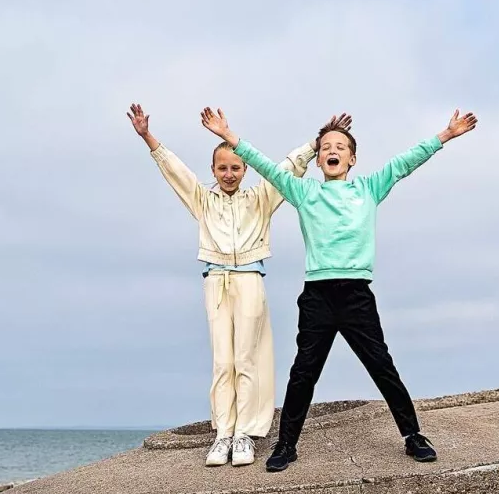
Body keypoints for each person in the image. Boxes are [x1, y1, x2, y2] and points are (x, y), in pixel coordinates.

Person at [199, 105, 478, 471]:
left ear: (352, 158)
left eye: (340, 147)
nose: (333, 150)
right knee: (303, 372)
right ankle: (286, 445)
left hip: (356, 294)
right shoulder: (304, 192)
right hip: (317, 295)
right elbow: (266, 166)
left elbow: (405, 162)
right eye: (326, 146)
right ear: (319, 159)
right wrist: (228, 137)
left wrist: (446, 135)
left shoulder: (369, 188)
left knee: (381, 366)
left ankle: (413, 436)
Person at [127, 103, 351, 467]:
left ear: (245, 169)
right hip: (216, 280)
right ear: (213, 171)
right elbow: (175, 172)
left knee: (247, 357)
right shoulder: (203, 199)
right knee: (223, 360)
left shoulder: (260, 198)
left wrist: (317, 143)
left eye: (235, 167)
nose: (229, 174)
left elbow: (286, 169)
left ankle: (245, 433)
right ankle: (223, 434)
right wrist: (148, 138)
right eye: (222, 168)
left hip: (249, 277)